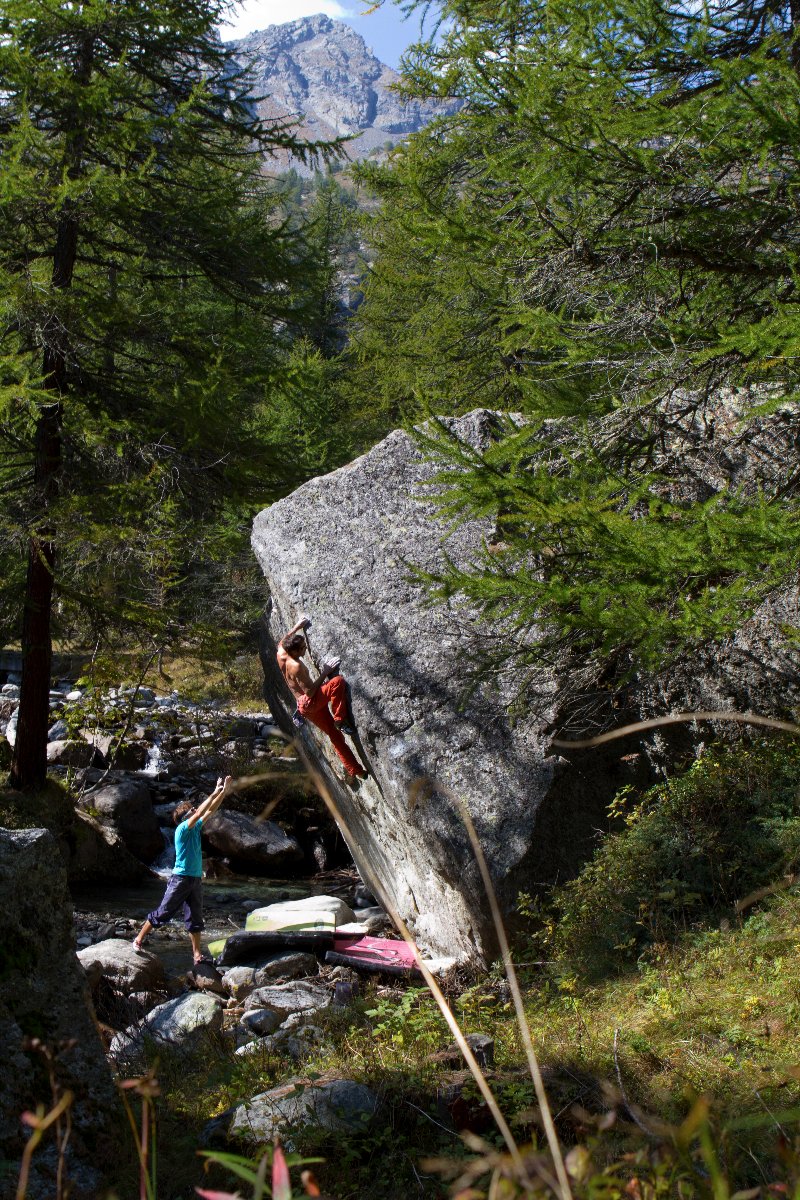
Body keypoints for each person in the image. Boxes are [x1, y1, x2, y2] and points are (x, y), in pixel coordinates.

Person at [132, 775, 233, 963]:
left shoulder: (195, 827)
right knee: (163, 912)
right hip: (180, 879)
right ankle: (138, 939)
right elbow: (202, 809)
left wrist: (222, 791)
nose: (197, 811)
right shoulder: (182, 830)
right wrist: (213, 791)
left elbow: (210, 809)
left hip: (194, 880)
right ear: (186, 817)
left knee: (195, 920)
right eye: (193, 810)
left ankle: (196, 955)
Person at [278, 617, 367, 780]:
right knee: (337, 682)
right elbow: (310, 692)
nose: (305, 650)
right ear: (295, 652)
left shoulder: (282, 653)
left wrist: (298, 626)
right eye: (303, 648)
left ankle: (356, 771)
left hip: (303, 707)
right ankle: (340, 720)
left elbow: (283, 640)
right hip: (310, 701)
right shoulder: (296, 667)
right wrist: (325, 672)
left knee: (334, 736)